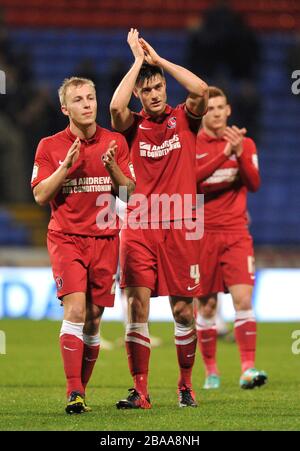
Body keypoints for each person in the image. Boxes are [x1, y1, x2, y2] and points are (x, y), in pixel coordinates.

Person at [110, 29, 208, 409]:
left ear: (165, 87)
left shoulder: (185, 118)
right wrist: (136, 62)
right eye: (146, 90)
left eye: (157, 88)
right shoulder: (132, 126)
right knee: (136, 306)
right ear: (139, 93)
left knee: (184, 310)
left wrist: (159, 59)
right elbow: (115, 110)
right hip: (139, 224)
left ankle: (185, 385)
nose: (153, 95)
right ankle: (141, 390)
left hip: (182, 223)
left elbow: (201, 89)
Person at [31, 77, 135, 414]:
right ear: (65, 108)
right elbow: (40, 195)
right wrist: (65, 166)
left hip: (105, 239)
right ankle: (73, 392)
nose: (87, 104)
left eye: (91, 97)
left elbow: (131, 193)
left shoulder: (115, 141)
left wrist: (113, 169)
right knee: (75, 311)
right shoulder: (49, 146)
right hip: (66, 239)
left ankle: (81, 391)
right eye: (78, 100)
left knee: (93, 320)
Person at [194, 86, 268, 390]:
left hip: (236, 233)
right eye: (210, 108)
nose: (216, 113)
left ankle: (247, 369)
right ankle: (211, 371)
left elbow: (254, 184)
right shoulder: (192, 144)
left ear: (229, 110)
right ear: (202, 113)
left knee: (242, 300)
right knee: (207, 307)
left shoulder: (244, 143)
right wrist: (224, 155)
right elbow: (191, 182)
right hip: (201, 235)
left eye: (221, 107)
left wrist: (238, 154)